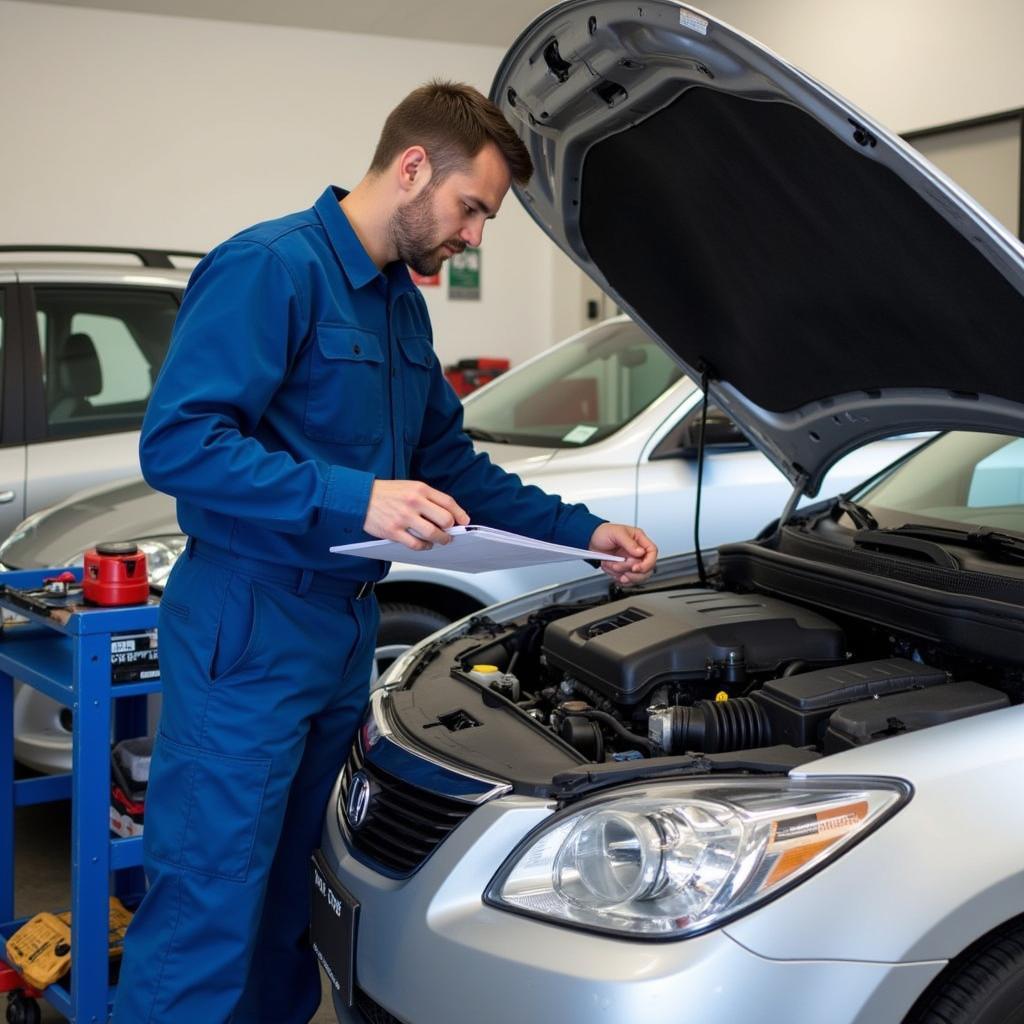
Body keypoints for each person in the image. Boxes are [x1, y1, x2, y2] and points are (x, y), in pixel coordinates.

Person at [112, 80, 657, 1024]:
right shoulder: (270, 268)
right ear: (413, 169)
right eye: (471, 209)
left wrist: (585, 531)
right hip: (248, 621)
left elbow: (450, 464)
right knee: (208, 902)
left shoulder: (401, 309)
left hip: (340, 633)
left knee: (290, 899)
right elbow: (180, 444)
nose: (474, 237)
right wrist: (352, 494)